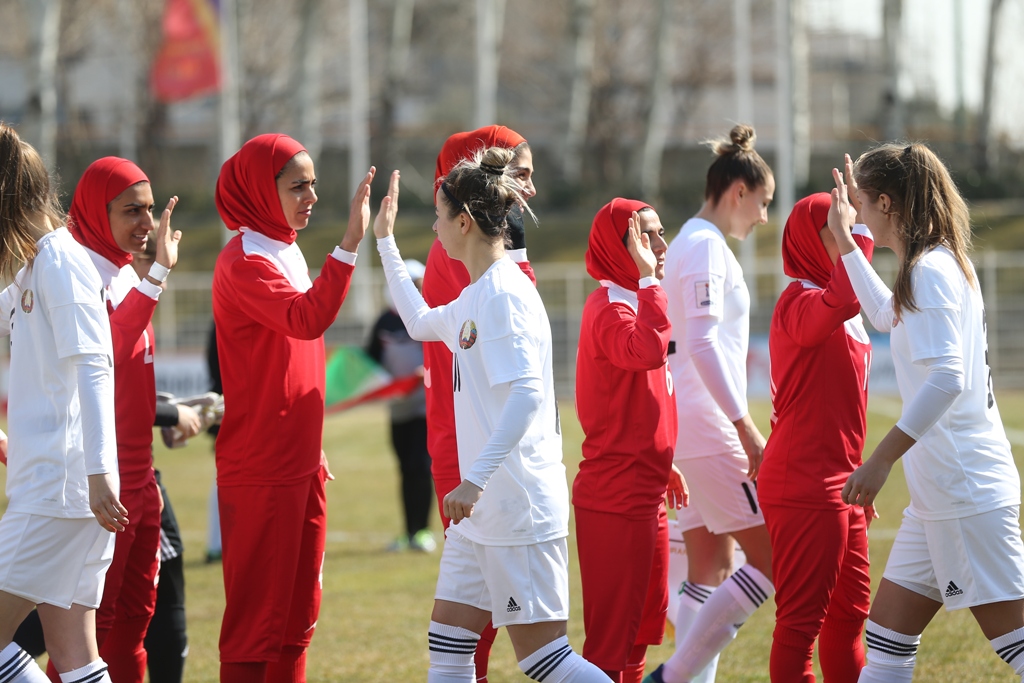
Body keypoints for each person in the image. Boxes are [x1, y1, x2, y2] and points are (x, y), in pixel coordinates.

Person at [373, 148, 609, 683]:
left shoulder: (504, 295)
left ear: (463, 222)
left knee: (545, 660)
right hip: (481, 516)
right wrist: (385, 242)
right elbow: (418, 323)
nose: (434, 228)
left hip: (516, 509)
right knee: (449, 648)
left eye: (438, 216)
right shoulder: (477, 294)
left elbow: (527, 396)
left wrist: (474, 480)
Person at [829, 146, 1024, 682]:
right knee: (887, 642)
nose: (857, 211)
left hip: (963, 492)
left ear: (886, 203)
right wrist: (845, 241)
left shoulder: (930, 270)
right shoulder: (933, 265)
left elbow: (947, 378)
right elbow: (882, 314)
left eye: (862, 202)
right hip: (939, 497)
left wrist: (880, 460)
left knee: (1016, 644)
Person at [212, 133, 373, 683]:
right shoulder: (244, 260)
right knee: (255, 630)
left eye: (313, 184)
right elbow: (306, 319)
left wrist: (311, 444)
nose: (312, 197)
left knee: (297, 622)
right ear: (262, 190)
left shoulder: (283, 247)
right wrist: (349, 243)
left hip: (299, 462)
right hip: (263, 467)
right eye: (297, 186)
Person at [646, 124, 776, 683]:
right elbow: (700, 343)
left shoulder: (691, 242)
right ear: (738, 191)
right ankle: (672, 678)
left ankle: (683, 678)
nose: (764, 217)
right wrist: (744, 426)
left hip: (692, 421)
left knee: (712, 568)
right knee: (773, 560)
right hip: (707, 424)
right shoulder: (703, 246)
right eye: (763, 203)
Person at [0, 122, 123, 683]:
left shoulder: (59, 260)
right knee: (74, 655)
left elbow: (94, 366)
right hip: (65, 489)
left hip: (60, 490)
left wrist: (99, 475)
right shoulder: (37, 263)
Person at [59, 156, 184, 683]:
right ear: (96, 210)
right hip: (98, 485)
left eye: (150, 210)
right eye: (132, 210)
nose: (147, 223)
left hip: (140, 481)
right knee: (89, 633)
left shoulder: (124, 271)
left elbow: (130, 382)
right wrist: (157, 276)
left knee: (135, 622)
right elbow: (106, 350)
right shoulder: (74, 273)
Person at [421, 124, 537, 681]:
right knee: (481, 639)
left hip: (484, 459)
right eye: (521, 175)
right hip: (476, 458)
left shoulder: (492, 261)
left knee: (491, 638)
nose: (529, 190)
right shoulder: (472, 259)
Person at [758, 192, 875, 682]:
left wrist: (858, 220)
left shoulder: (840, 300)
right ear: (809, 240)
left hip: (843, 482)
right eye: (837, 229)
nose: (847, 239)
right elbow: (846, 295)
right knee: (800, 625)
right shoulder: (799, 300)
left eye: (851, 228)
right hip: (804, 482)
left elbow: (855, 289)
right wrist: (857, 233)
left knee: (850, 616)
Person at [574, 198, 688, 683]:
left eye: (661, 233)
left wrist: (663, 458)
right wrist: (649, 281)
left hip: (645, 489)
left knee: (641, 630)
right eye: (646, 235)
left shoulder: (636, 300)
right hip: (616, 497)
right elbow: (645, 353)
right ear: (616, 247)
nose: (660, 245)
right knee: (609, 644)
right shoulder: (609, 307)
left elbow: (645, 393)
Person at [366, 258, 436, 553]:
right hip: (398, 410)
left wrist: (424, 372)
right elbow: (370, 361)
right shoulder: (384, 322)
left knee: (422, 467)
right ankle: (409, 533)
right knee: (406, 469)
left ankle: (423, 532)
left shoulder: (429, 315)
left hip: (426, 409)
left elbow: (443, 355)